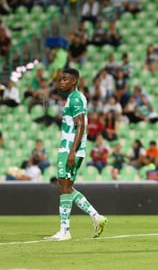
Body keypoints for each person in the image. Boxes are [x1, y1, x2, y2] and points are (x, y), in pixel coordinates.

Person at [44, 68, 107, 241]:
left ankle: (65, 230)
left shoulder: (76, 98)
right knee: (66, 186)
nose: (60, 82)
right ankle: (96, 217)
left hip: (70, 149)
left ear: (74, 81)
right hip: (72, 148)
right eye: (60, 79)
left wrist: (72, 151)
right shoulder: (73, 98)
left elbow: (81, 125)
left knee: (64, 186)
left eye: (64, 79)